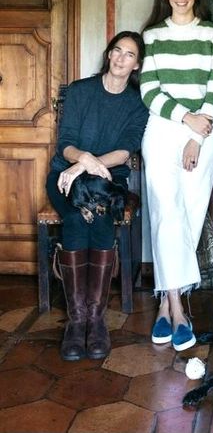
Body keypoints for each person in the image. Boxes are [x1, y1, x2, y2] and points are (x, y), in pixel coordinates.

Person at [140, 0, 213, 351]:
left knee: (190, 214)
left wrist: (196, 131)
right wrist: (184, 118)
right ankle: (177, 308)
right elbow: (148, 89)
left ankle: (164, 300)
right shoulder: (153, 36)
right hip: (162, 129)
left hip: (204, 132)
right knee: (166, 213)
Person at [46, 31, 149, 362]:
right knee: (76, 217)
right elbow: (67, 143)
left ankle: (96, 319)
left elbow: (124, 151)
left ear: (137, 64)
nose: (120, 58)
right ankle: (77, 323)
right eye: (116, 51)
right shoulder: (80, 92)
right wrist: (81, 162)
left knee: (102, 214)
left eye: (129, 55)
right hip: (65, 177)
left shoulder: (137, 103)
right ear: (108, 55)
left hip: (108, 180)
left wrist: (91, 165)